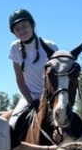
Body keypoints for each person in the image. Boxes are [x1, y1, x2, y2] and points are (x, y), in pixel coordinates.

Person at [7, 9, 59, 137]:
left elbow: (58, 76)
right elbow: (20, 80)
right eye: (17, 29)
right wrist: (31, 101)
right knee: (12, 125)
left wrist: (55, 98)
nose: (21, 30)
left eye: (24, 26)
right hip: (29, 96)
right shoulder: (14, 48)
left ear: (32, 25)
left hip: (51, 97)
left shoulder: (50, 46)